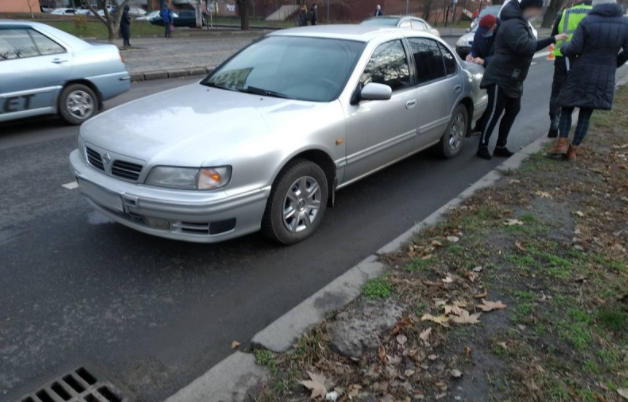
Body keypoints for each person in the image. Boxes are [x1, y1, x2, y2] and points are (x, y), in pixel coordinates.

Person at [476, 0, 569, 160]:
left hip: (514, 78)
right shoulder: (513, 23)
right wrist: (553, 39)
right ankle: (482, 146)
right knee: (494, 112)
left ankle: (500, 145)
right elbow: (525, 46)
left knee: (513, 110)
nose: (538, 13)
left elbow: (529, 44)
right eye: (537, 10)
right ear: (529, 8)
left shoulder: (521, 22)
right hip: (501, 75)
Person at [548, 0, 628, 161]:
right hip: (604, 74)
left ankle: (561, 144)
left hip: (581, 69)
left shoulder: (588, 20)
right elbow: (627, 52)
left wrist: (563, 49)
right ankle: (573, 151)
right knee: (586, 113)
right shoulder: (625, 23)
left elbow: (574, 48)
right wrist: (613, 64)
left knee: (567, 107)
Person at [546, 0, 593, 138]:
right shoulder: (593, 13)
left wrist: (554, 53)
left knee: (557, 90)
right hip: (584, 58)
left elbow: (553, 36)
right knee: (578, 90)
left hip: (563, 56)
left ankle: (554, 122)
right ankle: (571, 126)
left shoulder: (565, 12)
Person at [466, 14, 499, 135]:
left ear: (493, 27)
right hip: (481, 71)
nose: (484, 33)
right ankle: (479, 125)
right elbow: (475, 47)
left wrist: (485, 61)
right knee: (480, 98)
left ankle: (484, 129)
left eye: (486, 31)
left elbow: (500, 56)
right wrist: (471, 55)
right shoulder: (480, 32)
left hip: (495, 71)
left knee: (490, 102)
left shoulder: (500, 34)